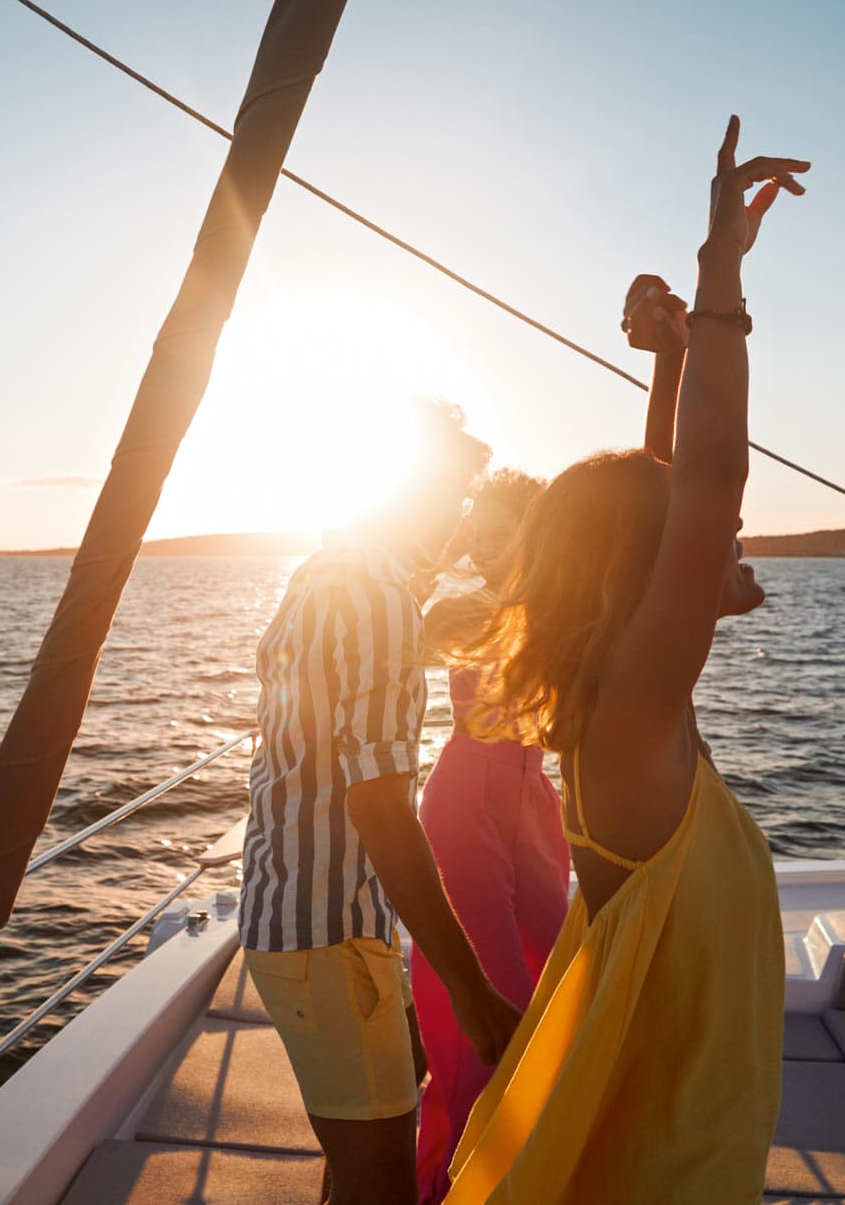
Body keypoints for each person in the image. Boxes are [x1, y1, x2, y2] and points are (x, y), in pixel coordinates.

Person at [444, 117, 809, 1202]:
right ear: (655, 578)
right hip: (669, 1149)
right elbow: (701, 481)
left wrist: (673, 358)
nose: (728, 548)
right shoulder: (637, 714)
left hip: (661, 1114)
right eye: (706, 545)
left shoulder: (623, 697)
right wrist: (717, 279)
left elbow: (666, 489)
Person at [239, 400, 526, 1205]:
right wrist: (471, 993)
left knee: (360, 1154)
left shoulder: (325, 574)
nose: (463, 516)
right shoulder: (377, 601)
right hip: (330, 937)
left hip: (291, 918)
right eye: (456, 493)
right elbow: (381, 810)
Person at [409, 470, 569, 1205]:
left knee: (554, 985)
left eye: (495, 531)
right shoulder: (462, 611)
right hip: (465, 804)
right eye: (474, 530)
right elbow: (400, 632)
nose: (477, 544)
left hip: (533, 805)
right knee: (491, 1003)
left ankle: (530, 1161)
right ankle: (457, 1182)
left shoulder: (567, 610)